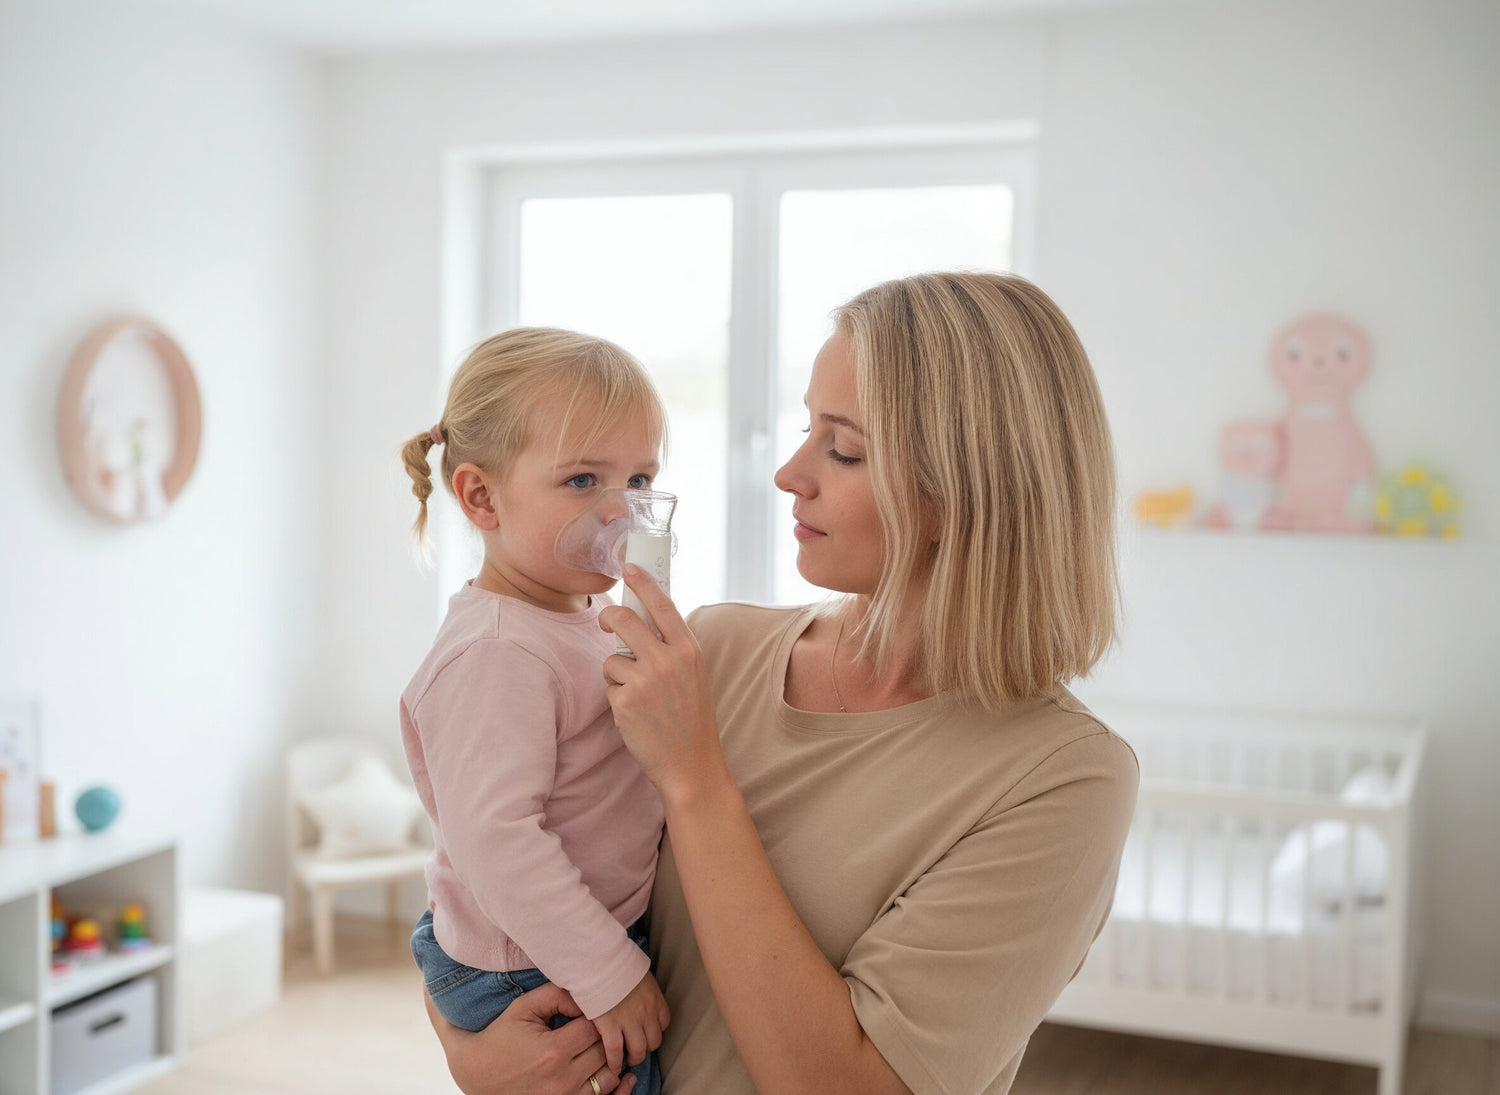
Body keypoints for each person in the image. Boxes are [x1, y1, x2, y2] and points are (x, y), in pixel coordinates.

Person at [425, 272, 1140, 1095]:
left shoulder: (1062, 777)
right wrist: (465, 1044)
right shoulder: (714, 651)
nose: (789, 473)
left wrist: (696, 781)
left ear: (967, 489)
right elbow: (495, 851)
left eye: (843, 448)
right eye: (807, 429)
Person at [398, 327, 673, 1095]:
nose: (621, 508)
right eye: (584, 480)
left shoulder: (573, 616)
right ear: (482, 496)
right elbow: (497, 840)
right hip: (533, 967)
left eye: (641, 477)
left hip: (558, 940)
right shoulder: (499, 651)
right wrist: (612, 974)